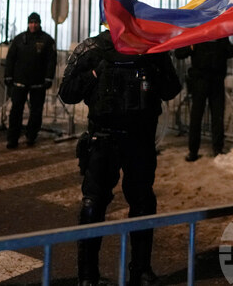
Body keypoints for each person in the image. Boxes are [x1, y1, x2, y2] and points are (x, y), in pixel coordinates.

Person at [58, 18, 182, 286]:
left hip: (139, 140)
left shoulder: (149, 49)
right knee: (94, 204)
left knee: (142, 203)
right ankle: (88, 275)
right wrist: (93, 74)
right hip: (104, 139)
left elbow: (171, 89)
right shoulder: (93, 49)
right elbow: (67, 92)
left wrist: (155, 58)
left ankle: (140, 270)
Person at [174, 36, 233, 161]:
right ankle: (194, 150)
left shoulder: (220, 35)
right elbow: (179, 53)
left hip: (216, 81)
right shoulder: (198, 35)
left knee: (217, 116)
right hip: (200, 81)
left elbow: (230, 52)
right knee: (197, 116)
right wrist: (191, 46)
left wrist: (224, 46)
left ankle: (217, 148)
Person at [4, 12, 57, 149]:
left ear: (39, 23)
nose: (33, 25)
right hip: (20, 81)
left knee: (36, 111)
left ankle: (31, 136)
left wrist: (48, 78)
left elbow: (51, 61)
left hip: (38, 82)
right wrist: (8, 76)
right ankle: (12, 138)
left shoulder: (47, 40)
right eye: (31, 22)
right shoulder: (20, 39)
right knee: (16, 111)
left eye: (35, 22)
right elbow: (10, 59)